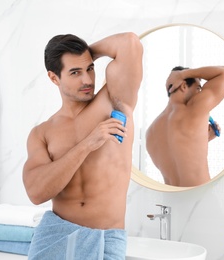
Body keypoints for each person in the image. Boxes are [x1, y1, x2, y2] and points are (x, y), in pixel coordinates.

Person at [22, 32, 143, 259]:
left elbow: (130, 43)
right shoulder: (42, 133)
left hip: (105, 240)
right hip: (55, 239)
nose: (87, 80)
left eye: (90, 69)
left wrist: (86, 55)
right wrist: (88, 143)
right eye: (75, 72)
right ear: (54, 77)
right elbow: (36, 193)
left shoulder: (114, 100)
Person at [145, 66, 224, 187]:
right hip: (201, 198)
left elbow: (177, 154)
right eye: (198, 88)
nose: (200, 92)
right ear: (183, 86)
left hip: (172, 200)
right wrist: (182, 74)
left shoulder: (151, 131)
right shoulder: (194, 108)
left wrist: (203, 138)